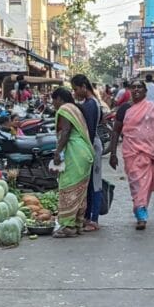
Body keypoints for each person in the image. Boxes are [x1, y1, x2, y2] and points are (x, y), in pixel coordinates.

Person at [108, 79, 154, 230]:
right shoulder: (124, 109)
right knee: (137, 184)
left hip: (149, 153)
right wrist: (112, 153)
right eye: (133, 87)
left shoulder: (152, 108)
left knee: (145, 185)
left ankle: (141, 213)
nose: (136, 90)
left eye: (139, 87)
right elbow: (116, 131)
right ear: (129, 90)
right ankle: (140, 210)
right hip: (131, 153)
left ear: (145, 91)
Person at [49, 87, 95, 238]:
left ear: (59, 99)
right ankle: (77, 223)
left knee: (68, 186)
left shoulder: (65, 109)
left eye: (53, 100)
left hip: (75, 152)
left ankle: (68, 225)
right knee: (80, 189)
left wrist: (57, 152)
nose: (53, 104)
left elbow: (66, 131)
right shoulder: (75, 108)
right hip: (84, 153)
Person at [71, 73, 103, 231]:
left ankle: (93, 219)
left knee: (95, 184)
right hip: (91, 145)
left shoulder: (91, 104)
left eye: (76, 89)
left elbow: (89, 131)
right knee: (89, 183)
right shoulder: (90, 103)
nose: (75, 92)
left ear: (84, 87)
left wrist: (86, 150)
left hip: (92, 146)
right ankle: (88, 216)